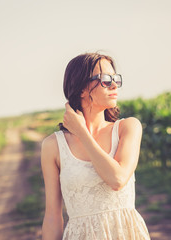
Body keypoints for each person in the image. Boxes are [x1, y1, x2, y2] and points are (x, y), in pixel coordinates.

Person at [41, 52, 151, 239]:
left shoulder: (128, 127)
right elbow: (52, 215)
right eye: (105, 80)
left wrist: (82, 133)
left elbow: (117, 179)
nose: (114, 85)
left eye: (116, 78)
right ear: (81, 88)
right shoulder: (53, 146)